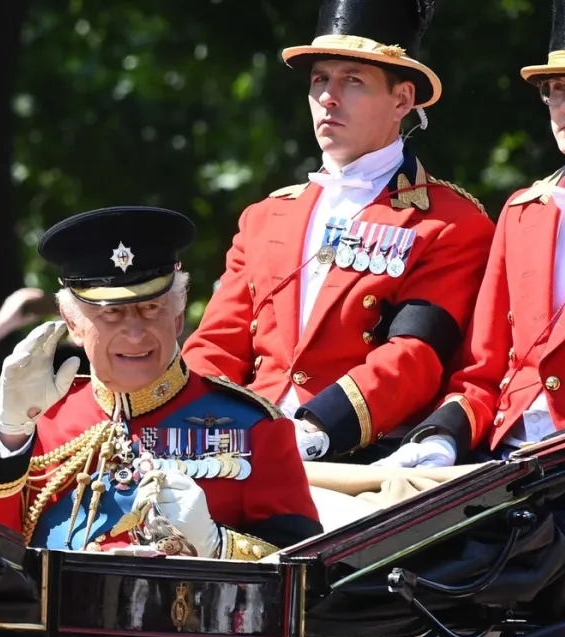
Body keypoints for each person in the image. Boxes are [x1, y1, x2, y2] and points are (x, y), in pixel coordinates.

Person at [181, 0, 495, 465]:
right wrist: (185, 423)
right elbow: (216, 345)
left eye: (352, 80)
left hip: (359, 451)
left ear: (402, 101)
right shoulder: (266, 216)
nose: (328, 96)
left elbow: (414, 355)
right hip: (243, 446)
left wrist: (316, 426)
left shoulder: (450, 222)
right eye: (319, 80)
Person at [0, 206, 321, 558]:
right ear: (72, 322)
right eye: (112, 314)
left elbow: (307, 577)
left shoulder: (252, 426)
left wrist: (217, 545)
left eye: (151, 308)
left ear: (177, 315)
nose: (136, 333)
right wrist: (6, 433)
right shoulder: (40, 418)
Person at [379, 0, 565, 469]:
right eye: (557, 89)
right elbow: (481, 374)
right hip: (503, 461)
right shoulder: (523, 213)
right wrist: (442, 437)